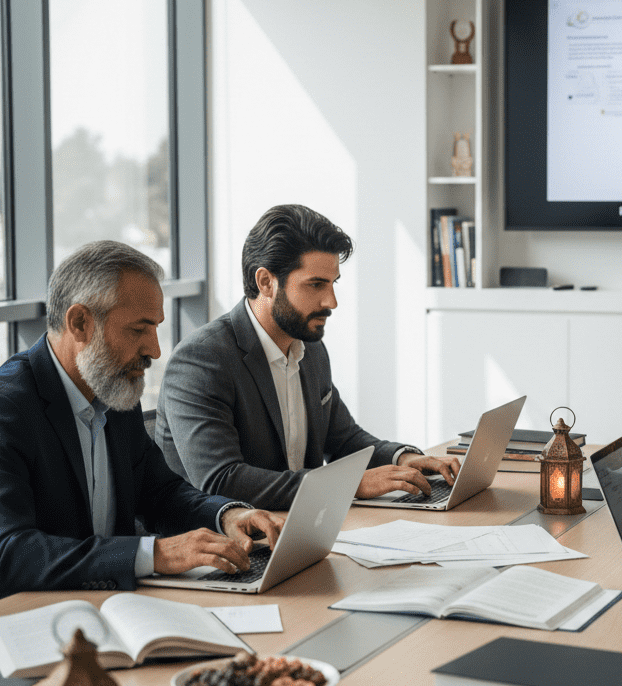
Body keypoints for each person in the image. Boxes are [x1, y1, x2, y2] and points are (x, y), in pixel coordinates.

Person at [0, 242, 284, 598]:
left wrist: (227, 516)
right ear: (79, 323)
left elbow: (160, 492)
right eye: (139, 330)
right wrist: (155, 554)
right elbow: (9, 554)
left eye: (156, 328)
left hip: (117, 605)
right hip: (42, 621)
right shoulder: (9, 407)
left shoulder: (113, 387)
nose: (155, 349)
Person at [156, 204, 460, 510]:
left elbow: (343, 439)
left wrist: (407, 459)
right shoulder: (202, 359)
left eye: (332, 284)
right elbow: (222, 480)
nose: (331, 301)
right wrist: (347, 484)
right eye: (316, 284)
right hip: (228, 544)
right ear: (266, 282)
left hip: (302, 526)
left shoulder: (309, 346)